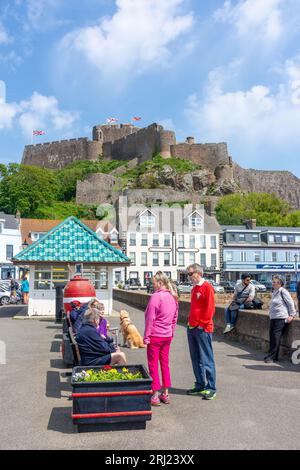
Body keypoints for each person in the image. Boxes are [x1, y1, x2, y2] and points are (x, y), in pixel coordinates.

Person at [144, 271, 179, 406]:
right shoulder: (173, 297)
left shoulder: (156, 297)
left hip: (155, 335)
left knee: (153, 364)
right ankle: (166, 393)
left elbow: (150, 318)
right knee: (165, 364)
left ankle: (155, 394)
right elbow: (174, 318)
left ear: (160, 283)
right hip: (167, 335)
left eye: (153, 283)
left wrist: (146, 336)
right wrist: (171, 332)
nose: (153, 286)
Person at [186, 263, 217, 400]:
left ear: (198, 273)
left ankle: (211, 388)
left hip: (202, 328)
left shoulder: (207, 287)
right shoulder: (194, 289)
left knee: (206, 359)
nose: (189, 277)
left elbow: (210, 309)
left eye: (190, 274)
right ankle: (200, 384)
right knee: (196, 359)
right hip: (192, 327)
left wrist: (202, 325)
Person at [264, 275, 296, 363]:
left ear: (280, 283)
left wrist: (292, 315)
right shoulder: (275, 292)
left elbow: (291, 303)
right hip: (273, 317)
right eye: (273, 282)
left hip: (281, 317)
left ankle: (273, 356)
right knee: (272, 337)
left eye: (274, 282)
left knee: (276, 337)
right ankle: (272, 355)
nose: (272, 284)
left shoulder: (283, 291)